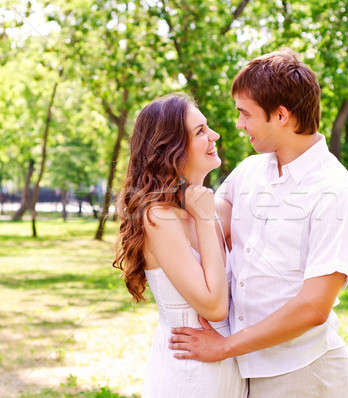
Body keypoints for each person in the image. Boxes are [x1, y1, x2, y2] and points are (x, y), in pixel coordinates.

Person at [169, 49, 348, 397]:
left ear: (281, 115)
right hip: (244, 373)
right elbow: (208, 229)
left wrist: (225, 346)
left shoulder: (336, 192)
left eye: (245, 114)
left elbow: (313, 308)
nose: (238, 124)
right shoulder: (250, 171)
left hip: (302, 374)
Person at [113, 94, 247, 398]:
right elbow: (213, 307)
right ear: (170, 149)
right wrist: (203, 217)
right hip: (190, 373)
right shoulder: (159, 217)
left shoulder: (202, 206)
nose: (214, 136)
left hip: (225, 369)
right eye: (200, 131)